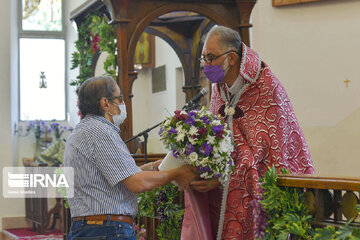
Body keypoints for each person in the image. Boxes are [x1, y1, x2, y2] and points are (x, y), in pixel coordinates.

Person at [181, 26, 315, 240]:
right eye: (204, 59)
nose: (206, 65)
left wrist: (223, 177)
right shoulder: (219, 88)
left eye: (211, 58)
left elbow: (266, 158)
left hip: (267, 194)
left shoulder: (267, 87)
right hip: (223, 197)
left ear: (231, 58)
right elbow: (218, 141)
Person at [64, 76, 196, 240]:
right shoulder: (100, 131)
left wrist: (153, 167)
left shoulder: (82, 131)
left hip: (93, 228)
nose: (122, 104)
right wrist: (177, 173)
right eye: (119, 98)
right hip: (105, 230)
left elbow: (117, 177)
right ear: (105, 103)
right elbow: (136, 183)